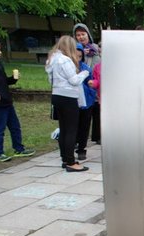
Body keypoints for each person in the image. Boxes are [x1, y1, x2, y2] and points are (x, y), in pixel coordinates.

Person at [0, 37, 35, 162]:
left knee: (15, 126)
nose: (0, 52)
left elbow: (3, 81)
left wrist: (13, 79)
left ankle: (19, 148)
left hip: (7, 101)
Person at [46, 35, 90, 172]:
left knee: (64, 129)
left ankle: (65, 159)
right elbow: (74, 80)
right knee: (71, 130)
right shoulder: (65, 60)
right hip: (68, 97)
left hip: (56, 95)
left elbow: (50, 80)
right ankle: (71, 162)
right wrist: (85, 72)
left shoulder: (52, 60)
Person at [75, 43, 97, 160]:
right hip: (73, 101)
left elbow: (91, 83)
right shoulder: (67, 67)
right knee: (74, 126)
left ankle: (81, 149)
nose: (77, 58)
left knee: (84, 126)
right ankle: (74, 143)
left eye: (79, 56)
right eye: (75, 56)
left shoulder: (86, 68)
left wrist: (90, 93)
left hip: (86, 102)